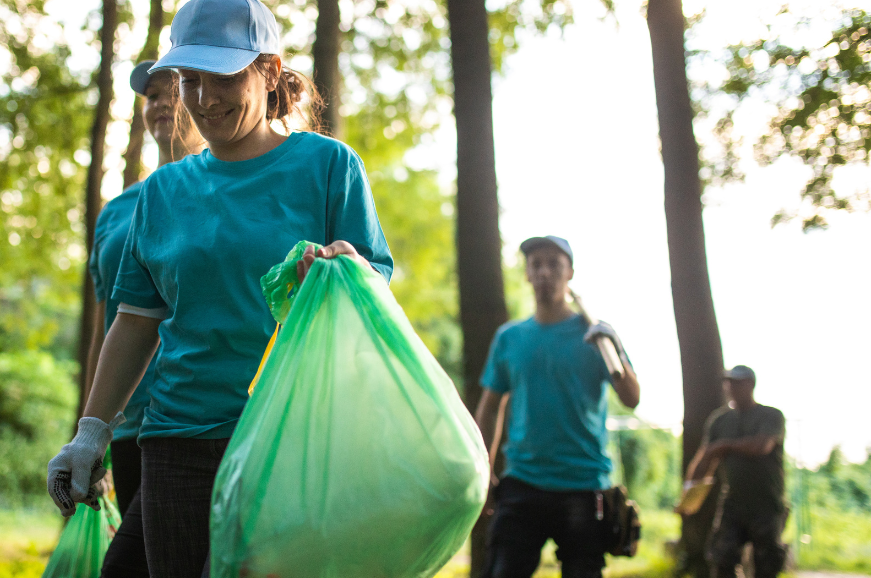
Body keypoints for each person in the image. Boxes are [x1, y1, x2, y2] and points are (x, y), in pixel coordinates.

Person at [47, 0, 394, 576]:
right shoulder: (163, 192)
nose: (205, 98)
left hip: (289, 438)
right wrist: (89, 435)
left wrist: (345, 269)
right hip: (175, 443)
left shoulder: (329, 167)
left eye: (224, 77)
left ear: (267, 69)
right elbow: (135, 320)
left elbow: (374, 294)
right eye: (190, 79)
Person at [85, 60, 204, 578]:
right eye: (150, 95)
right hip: (130, 422)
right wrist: (89, 429)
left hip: (195, 420)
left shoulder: (219, 189)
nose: (159, 103)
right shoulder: (118, 210)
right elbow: (110, 320)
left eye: (172, 91)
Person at [474, 235, 641, 578]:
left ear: (570, 273)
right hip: (522, 482)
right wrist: (483, 470)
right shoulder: (510, 337)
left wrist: (613, 347)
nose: (545, 272)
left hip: (583, 485)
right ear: (527, 275)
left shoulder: (596, 337)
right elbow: (490, 407)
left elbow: (632, 398)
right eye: (536, 265)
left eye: (554, 264)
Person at [685, 365, 787, 578]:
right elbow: (705, 459)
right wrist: (689, 495)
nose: (730, 387)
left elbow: (762, 446)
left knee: (766, 566)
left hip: (766, 504)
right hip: (733, 503)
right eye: (728, 382)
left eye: (737, 382)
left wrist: (724, 446)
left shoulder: (771, 416)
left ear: (750, 384)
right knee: (721, 558)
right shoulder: (720, 420)